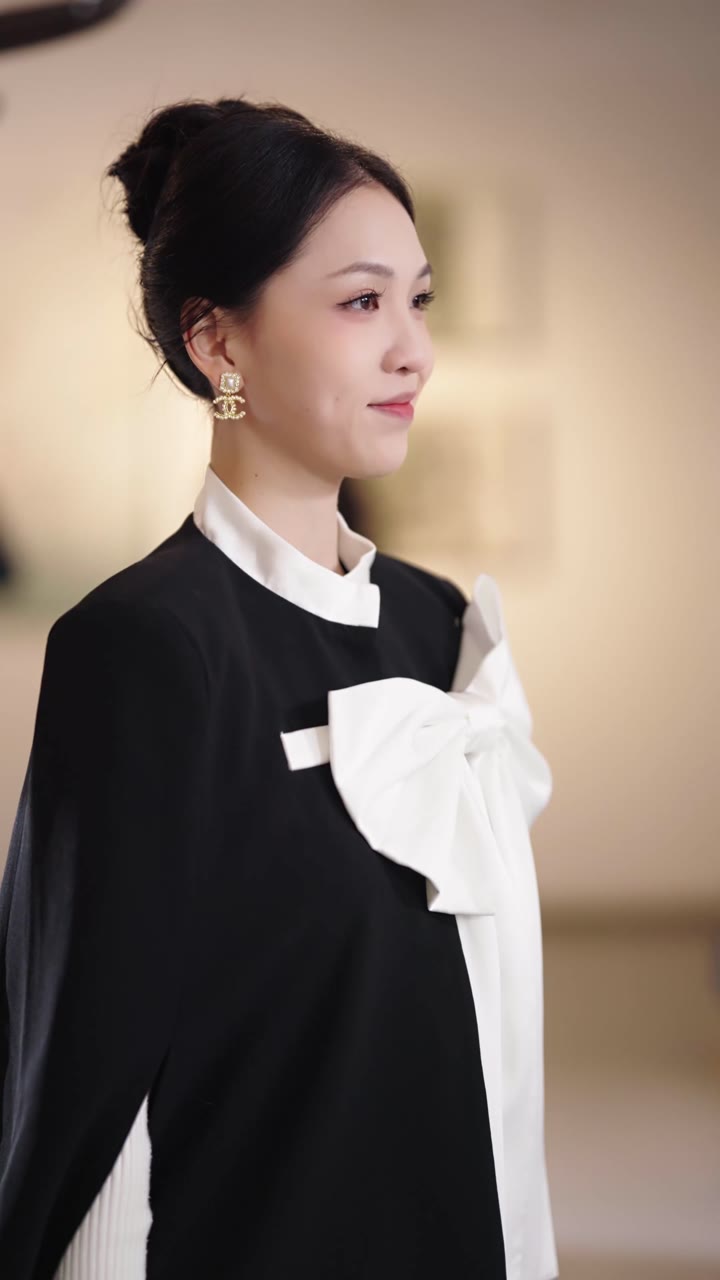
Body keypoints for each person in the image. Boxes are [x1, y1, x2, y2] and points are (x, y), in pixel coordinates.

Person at [0, 96, 558, 1280]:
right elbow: (95, 1080)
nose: (412, 350)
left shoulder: (438, 623)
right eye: (361, 302)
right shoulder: (146, 647)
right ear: (219, 343)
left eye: (418, 300)